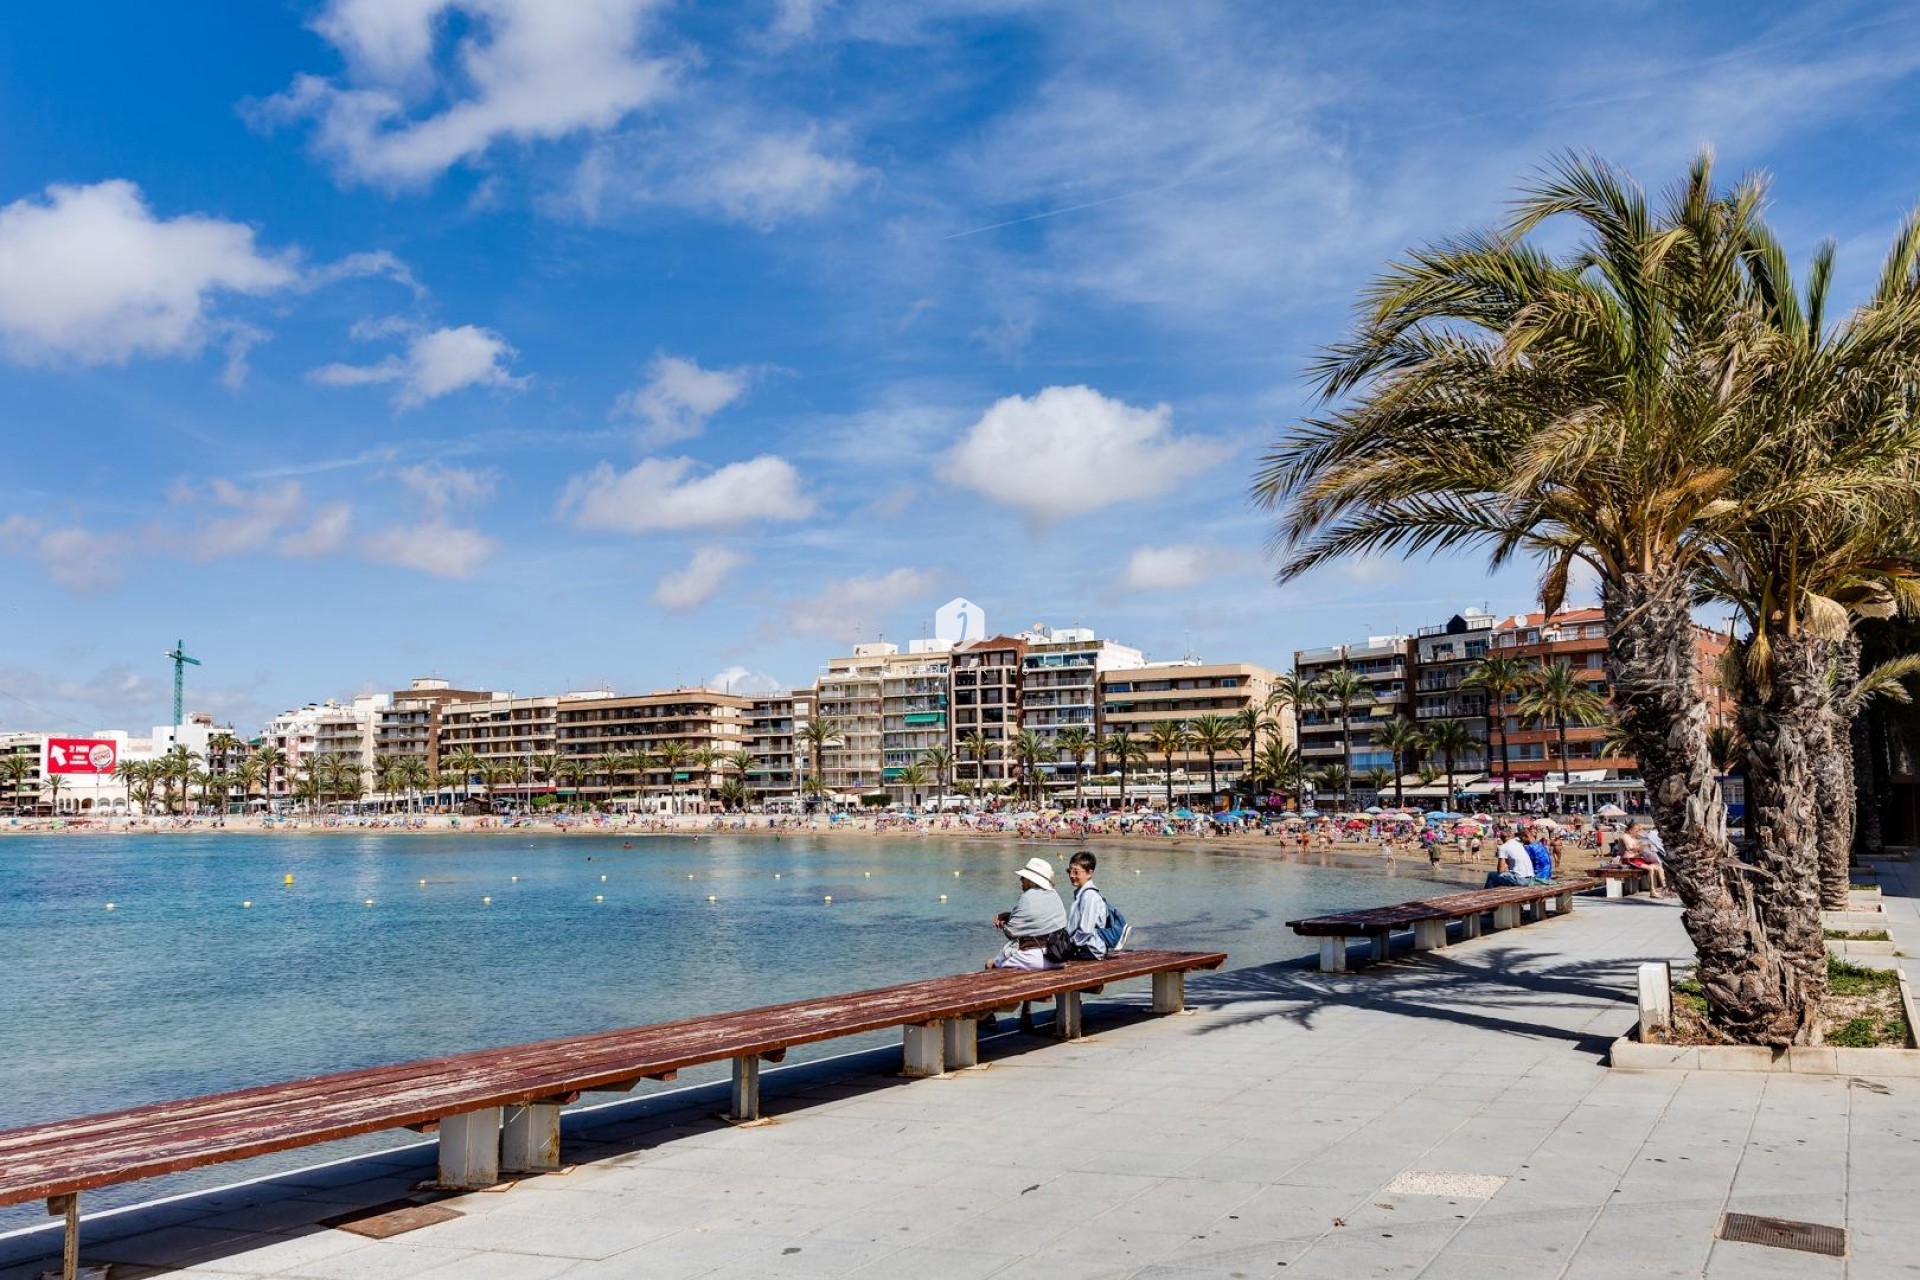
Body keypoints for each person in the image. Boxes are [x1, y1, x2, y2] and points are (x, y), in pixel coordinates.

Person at [987, 856, 1067, 970]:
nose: (1020, 880)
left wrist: (1003, 924)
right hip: (1058, 956)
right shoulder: (1055, 895)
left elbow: (1012, 933)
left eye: (1023, 877)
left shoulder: (1027, 898)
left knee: (990, 964)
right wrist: (1009, 915)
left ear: (1031, 880)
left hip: (1035, 958)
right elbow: (1038, 918)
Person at [1064, 851, 1113, 960]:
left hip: (1090, 950)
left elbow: (1085, 930)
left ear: (1089, 873)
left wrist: (1068, 945)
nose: (1071, 875)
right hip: (1087, 948)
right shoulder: (1083, 893)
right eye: (1069, 871)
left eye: (1076, 872)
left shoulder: (1089, 896)